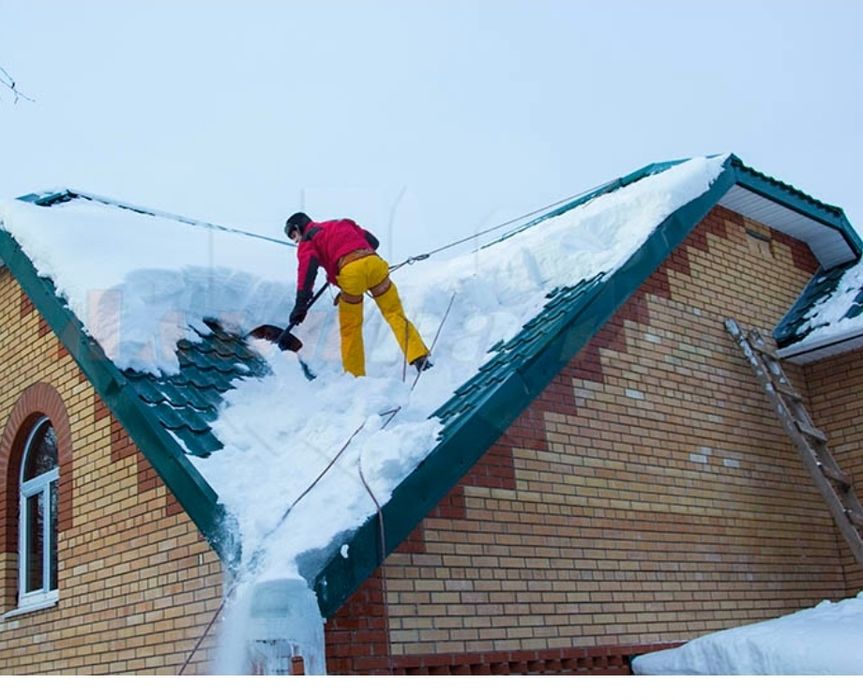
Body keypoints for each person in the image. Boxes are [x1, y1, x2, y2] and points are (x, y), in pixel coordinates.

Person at [283, 212, 431, 377]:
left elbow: (307, 271)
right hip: (375, 265)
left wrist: (300, 306)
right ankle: (419, 357)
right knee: (395, 314)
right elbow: (373, 242)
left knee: (350, 329)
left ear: (298, 227)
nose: (296, 241)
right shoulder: (341, 223)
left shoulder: (307, 241)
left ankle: (355, 376)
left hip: (351, 275)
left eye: (294, 235)